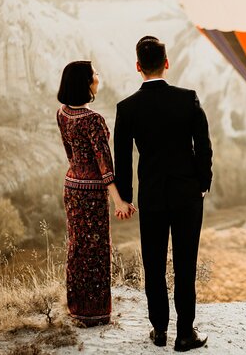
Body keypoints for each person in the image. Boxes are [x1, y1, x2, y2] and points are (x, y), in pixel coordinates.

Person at [114, 36, 212, 351]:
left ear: (138, 67)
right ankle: (185, 333)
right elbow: (204, 147)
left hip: (152, 195)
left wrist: (126, 197)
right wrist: (202, 182)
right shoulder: (188, 99)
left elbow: (123, 158)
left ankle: (158, 330)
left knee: (153, 264)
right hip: (186, 193)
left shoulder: (127, 108)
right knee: (186, 263)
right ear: (166, 62)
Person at [56, 60, 136, 327]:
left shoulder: (63, 113)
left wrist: (77, 172)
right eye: (94, 74)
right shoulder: (93, 121)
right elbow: (105, 165)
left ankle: (76, 308)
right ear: (86, 83)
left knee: (77, 247)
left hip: (71, 185)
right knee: (97, 250)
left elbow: (70, 153)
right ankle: (95, 313)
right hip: (91, 193)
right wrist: (120, 201)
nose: (98, 77)